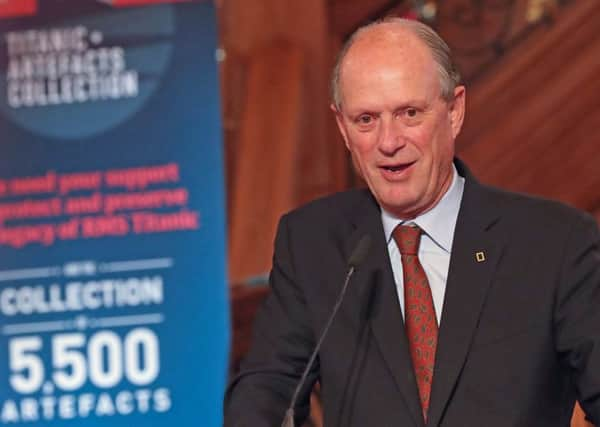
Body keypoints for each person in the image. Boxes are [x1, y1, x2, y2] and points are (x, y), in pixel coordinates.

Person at [223, 17, 600, 427]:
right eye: (366, 119)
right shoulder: (313, 242)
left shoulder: (555, 243)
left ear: (454, 110)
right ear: (342, 128)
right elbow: (267, 389)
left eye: (409, 113)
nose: (388, 142)